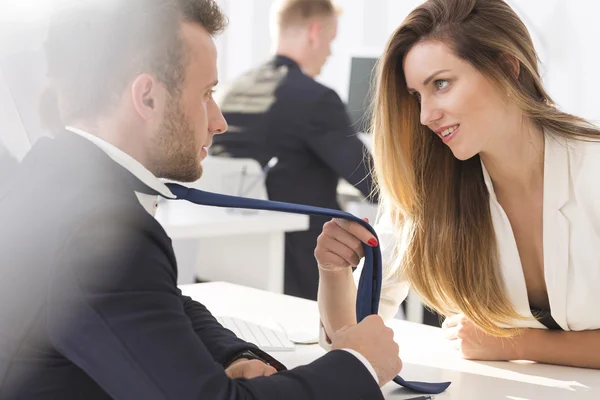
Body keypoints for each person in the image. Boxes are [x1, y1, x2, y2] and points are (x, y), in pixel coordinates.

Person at [0, 1, 402, 398]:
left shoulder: (48, 172)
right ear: (148, 98)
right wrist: (358, 365)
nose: (219, 121)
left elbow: (160, 302)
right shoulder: (103, 227)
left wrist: (232, 353)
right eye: (207, 93)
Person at [315, 0, 600, 369]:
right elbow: (353, 341)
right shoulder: (428, 185)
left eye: (441, 84)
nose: (425, 116)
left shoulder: (591, 166)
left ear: (506, 67)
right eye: (417, 95)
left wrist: (516, 344)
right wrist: (334, 272)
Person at [209, 0, 376, 301]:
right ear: (314, 32)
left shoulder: (228, 91)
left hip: (225, 263)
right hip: (304, 269)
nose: (330, 52)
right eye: (330, 40)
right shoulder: (316, 99)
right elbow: (372, 183)